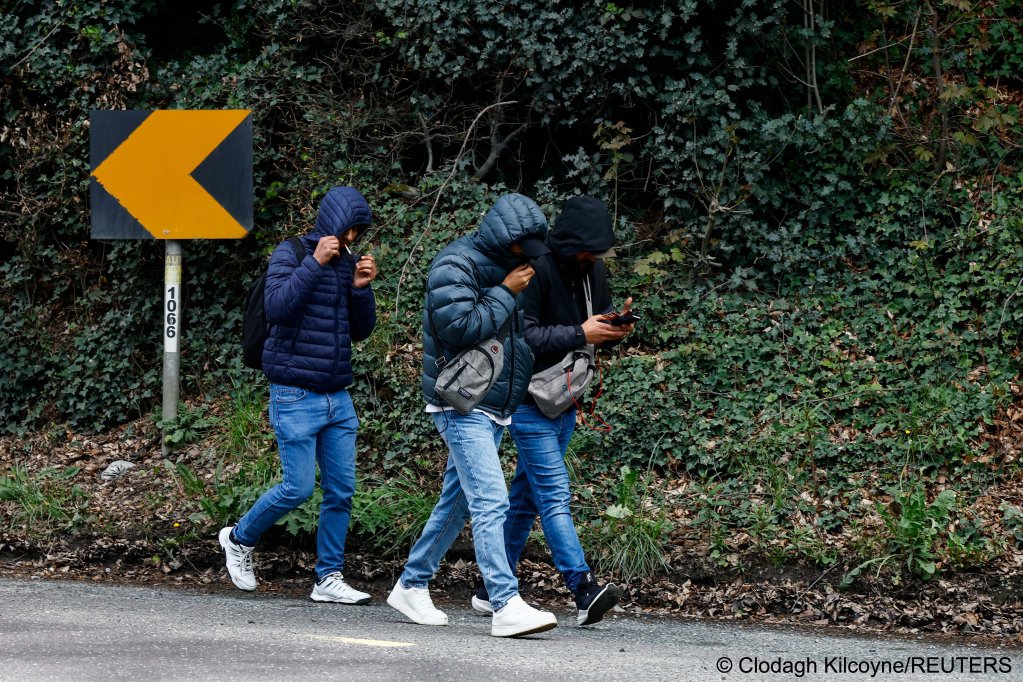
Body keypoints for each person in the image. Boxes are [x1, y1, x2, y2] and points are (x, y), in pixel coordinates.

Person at [386, 193, 561, 638]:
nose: (532, 258)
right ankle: (505, 603)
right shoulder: (455, 264)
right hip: (460, 401)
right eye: (528, 248)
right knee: (490, 500)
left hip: (494, 402)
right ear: (508, 240)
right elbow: (458, 328)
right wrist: (506, 291)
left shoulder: (515, 265)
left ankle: (411, 584)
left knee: (459, 501)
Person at [469, 195, 633, 626]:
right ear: (570, 241)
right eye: (587, 249)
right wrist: (582, 331)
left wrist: (613, 327)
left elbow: (591, 327)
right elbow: (524, 338)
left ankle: (489, 588)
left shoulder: (592, 269)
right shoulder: (534, 271)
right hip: (527, 400)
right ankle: (582, 589)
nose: (592, 258)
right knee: (555, 495)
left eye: (597, 251)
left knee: (525, 499)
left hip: (565, 397)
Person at [219, 186, 379, 605]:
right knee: (298, 488)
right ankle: (238, 539)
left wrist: (361, 288)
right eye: (348, 231)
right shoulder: (290, 253)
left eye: (357, 234)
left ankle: (327, 578)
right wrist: (314, 262)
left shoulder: (346, 264)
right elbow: (277, 309)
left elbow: (359, 331)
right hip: (294, 394)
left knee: (342, 491)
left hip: (337, 395)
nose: (351, 240)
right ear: (331, 224)